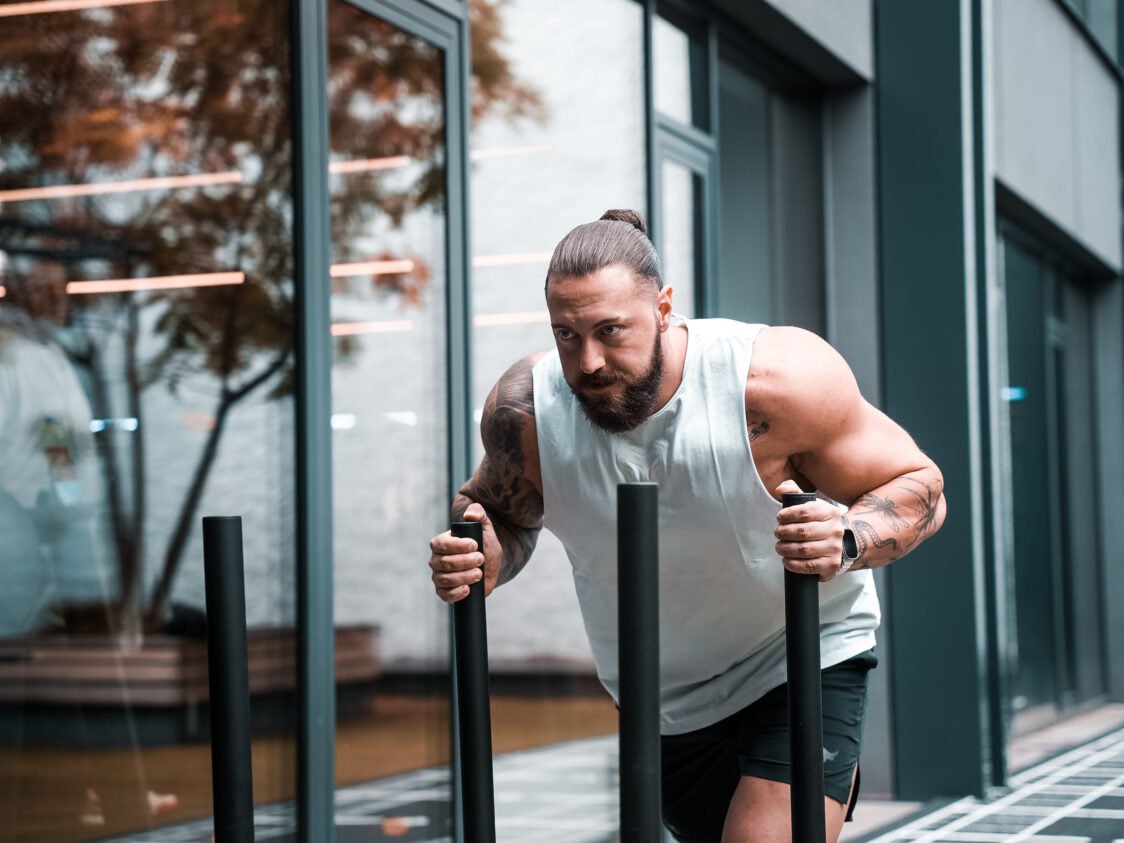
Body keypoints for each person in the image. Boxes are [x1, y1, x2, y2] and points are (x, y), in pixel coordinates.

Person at [428, 209, 946, 842]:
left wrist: (845, 539)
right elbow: (501, 515)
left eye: (610, 330)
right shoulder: (528, 412)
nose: (587, 361)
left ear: (665, 307)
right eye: (566, 334)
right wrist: (480, 557)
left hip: (798, 657)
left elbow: (919, 486)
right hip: (658, 697)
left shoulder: (772, 383)